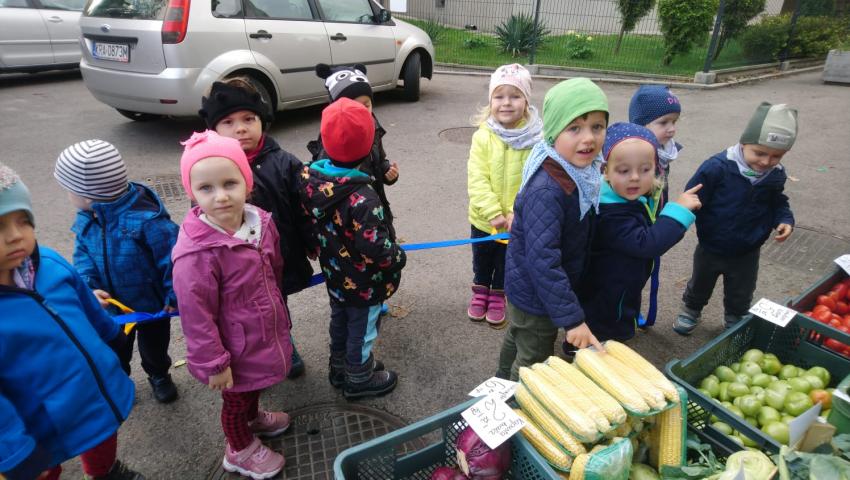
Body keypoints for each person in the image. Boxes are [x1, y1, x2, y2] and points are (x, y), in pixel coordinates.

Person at [0, 163, 142, 480]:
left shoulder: (49, 262)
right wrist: (14, 453)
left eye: (23, 221)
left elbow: (86, 305)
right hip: (39, 423)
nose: (16, 236)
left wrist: (112, 335)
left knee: (103, 435)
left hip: (93, 392)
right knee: (44, 469)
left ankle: (104, 472)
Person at [171, 131, 293, 479]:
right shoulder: (197, 254)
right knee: (235, 400)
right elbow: (196, 316)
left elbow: (274, 268)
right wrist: (215, 363)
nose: (221, 196)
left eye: (229, 183)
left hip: (260, 332)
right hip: (232, 348)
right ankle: (239, 449)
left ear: (247, 183)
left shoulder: (260, 222)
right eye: (206, 188)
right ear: (192, 192)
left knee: (253, 387)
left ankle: (253, 419)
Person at [199, 78, 312, 379]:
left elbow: (303, 207)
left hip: (278, 257)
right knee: (242, 312)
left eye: (249, 119)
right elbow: (200, 218)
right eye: (228, 122)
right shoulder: (209, 170)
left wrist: (311, 240)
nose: (240, 128)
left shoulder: (284, 162)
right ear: (214, 129)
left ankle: (283, 342)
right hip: (234, 265)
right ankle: (250, 353)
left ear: (263, 121)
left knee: (276, 304)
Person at [496, 78, 608, 381]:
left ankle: (500, 382)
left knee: (519, 337)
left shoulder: (577, 170)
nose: (589, 138)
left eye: (597, 127)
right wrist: (572, 320)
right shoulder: (548, 189)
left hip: (533, 289)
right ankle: (517, 398)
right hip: (536, 295)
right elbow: (543, 260)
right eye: (575, 128)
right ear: (555, 131)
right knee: (533, 359)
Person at [54, 140, 179, 403]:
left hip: (152, 305)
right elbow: (83, 254)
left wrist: (173, 296)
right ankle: (119, 380)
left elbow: (172, 260)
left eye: (69, 190)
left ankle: (159, 374)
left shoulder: (148, 220)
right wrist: (89, 286)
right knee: (114, 347)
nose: (68, 196)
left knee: (155, 346)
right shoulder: (87, 216)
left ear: (88, 195)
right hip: (111, 306)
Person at [300, 98, 406, 399]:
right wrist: (398, 257)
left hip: (335, 275)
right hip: (363, 283)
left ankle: (340, 368)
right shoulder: (363, 196)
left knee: (341, 321)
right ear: (368, 144)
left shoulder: (313, 182)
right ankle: (358, 376)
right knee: (363, 328)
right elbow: (375, 246)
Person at [673, 102, 797, 335]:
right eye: (759, 153)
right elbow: (693, 197)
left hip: (748, 248)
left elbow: (777, 201)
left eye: (776, 156)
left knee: (742, 289)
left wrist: (784, 219)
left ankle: (735, 316)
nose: (765, 162)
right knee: (701, 282)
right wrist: (679, 221)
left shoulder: (775, 174)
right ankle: (691, 309)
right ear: (743, 143)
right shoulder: (718, 167)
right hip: (712, 244)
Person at [578, 123, 701, 342]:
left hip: (622, 283)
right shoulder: (611, 213)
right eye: (624, 171)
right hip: (607, 292)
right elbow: (646, 244)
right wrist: (678, 212)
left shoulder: (623, 197)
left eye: (645, 170)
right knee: (605, 329)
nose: (635, 177)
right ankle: (584, 348)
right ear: (605, 171)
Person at [466, 64, 542, 328]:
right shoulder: (482, 137)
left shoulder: (537, 140)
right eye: (499, 96)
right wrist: (492, 212)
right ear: (491, 101)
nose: (506, 103)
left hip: (515, 221)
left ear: (526, 101)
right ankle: (480, 291)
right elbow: (477, 178)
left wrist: (514, 212)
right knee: (482, 258)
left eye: (515, 96)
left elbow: (533, 181)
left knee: (507, 261)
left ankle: (499, 295)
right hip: (483, 218)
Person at [308, 63, 399, 240]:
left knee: (381, 239)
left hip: (374, 206)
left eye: (366, 105)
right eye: (355, 107)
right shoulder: (332, 141)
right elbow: (324, 184)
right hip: (349, 218)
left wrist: (388, 172)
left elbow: (379, 160)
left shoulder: (372, 128)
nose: (363, 112)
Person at [628, 85, 683, 207]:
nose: (672, 129)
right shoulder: (632, 158)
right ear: (641, 125)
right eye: (663, 122)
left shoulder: (663, 152)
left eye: (674, 122)